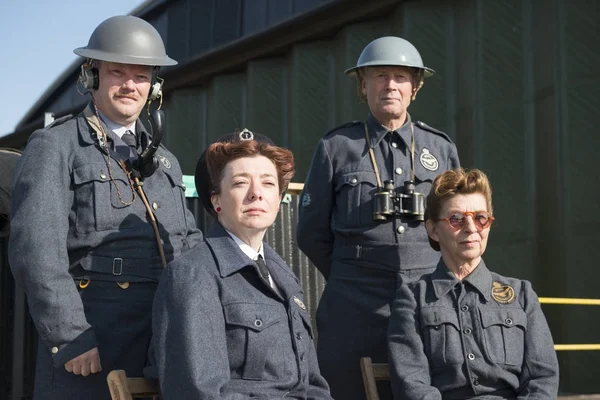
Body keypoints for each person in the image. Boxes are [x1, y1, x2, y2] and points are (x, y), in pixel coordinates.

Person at [8, 15, 203, 399]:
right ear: (92, 76)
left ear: (154, 86)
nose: (130, 85)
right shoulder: (56, 146)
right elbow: (36, 251)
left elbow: (188, 247)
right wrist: (69, 335)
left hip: (160, 345)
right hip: (92, 341)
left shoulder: (164, 162)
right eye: (117, 72)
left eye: (142, 76)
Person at [297, 36, 460, 399]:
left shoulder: (440, 148)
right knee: (347, 389)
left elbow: (457, 224)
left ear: (414, 87)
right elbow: (310, 232)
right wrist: (350, 273)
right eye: (380, 76)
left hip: (427, 298)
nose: (390, 85)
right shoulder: (337, 147)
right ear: (363, 84)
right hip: (354, 303)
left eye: (400, 77)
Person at [152, 130, 332, 399]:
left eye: (268, 183)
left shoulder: (284, 278)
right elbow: (199, 392)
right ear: (216, 201)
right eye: (240, 183)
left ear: (279, 201)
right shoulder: (194, 275)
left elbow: (313, 385)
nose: (256, 194)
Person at [388, 168, 559, 399]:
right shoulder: (412, 299)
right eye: (456, 219)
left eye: (480, 218)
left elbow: (542, 380)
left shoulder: (522, 295)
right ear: (433, 230)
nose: (471, 228)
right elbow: (412, 385)